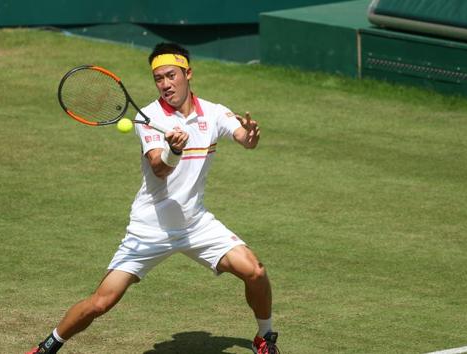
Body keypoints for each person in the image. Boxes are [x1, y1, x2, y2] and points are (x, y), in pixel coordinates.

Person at [28, 42, 279, 354]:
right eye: (158, 78)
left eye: (171, 76)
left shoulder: (214, 113)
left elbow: (243, 137)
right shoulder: (147, 117)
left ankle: (264, 337)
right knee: (101, 302)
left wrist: (250, 136)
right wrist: (174, 149)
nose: (165, 84)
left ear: (188, 73)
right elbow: (159, 168)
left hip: (194, 223)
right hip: (150, 228)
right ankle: (46, 347)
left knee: (254, 270)